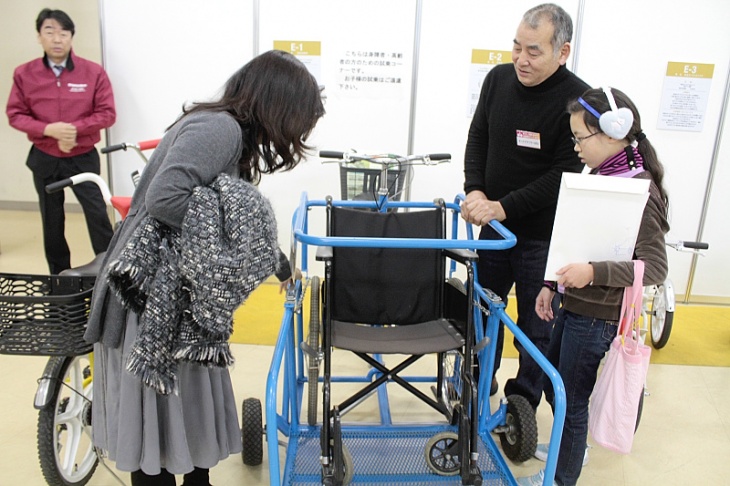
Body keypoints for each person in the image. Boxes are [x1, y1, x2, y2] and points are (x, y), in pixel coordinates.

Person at [83, 50, 325, 486]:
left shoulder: (222, 128)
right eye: (298, 119)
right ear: (277, 105)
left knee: (183, 430)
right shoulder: (221, 128)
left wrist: (277, 263)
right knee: (157, 439)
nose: (297, 132)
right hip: (154, 297)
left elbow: (232, 219)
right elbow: (164, 199)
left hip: (171, 295)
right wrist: (232, 235)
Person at [518, 87, 670, 486]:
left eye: (580, 138)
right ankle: (572, 449)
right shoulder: (601, 175)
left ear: (611, 134)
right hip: (575, 305)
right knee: (560, 389)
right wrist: (552, 283)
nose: (576, 147)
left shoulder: (641, 189)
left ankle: (560, 477)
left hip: (598, 315)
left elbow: (654, 266)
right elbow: (576, 236)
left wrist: (593, 272)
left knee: (571, 402)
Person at [461, 3, 590, 408]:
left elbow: (563, 176)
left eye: (533, 51)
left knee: (537, 329)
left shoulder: (577, 101)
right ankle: (477, 392)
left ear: (562, 52)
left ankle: (521, 405)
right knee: (479, 317)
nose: (521, 59)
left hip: (542, 240)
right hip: (493, 232)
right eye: (516, 47)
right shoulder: (498, 80)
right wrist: (476, 191)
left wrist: (503, 206)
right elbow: (478, 136)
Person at [6, 8, 116, 274]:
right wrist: (48, 130)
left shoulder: (93, 72)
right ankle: (59, 280)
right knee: (52, 222)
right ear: (39, 37)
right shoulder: (24, 74)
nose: (57, 39)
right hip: (45, 158)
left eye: (63, 33)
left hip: (83, 157)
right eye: (50, 32)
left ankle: (110, 275)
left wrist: (72, 131)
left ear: (71, 37)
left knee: (98, 216)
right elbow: (15, 114)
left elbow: (107, 113)